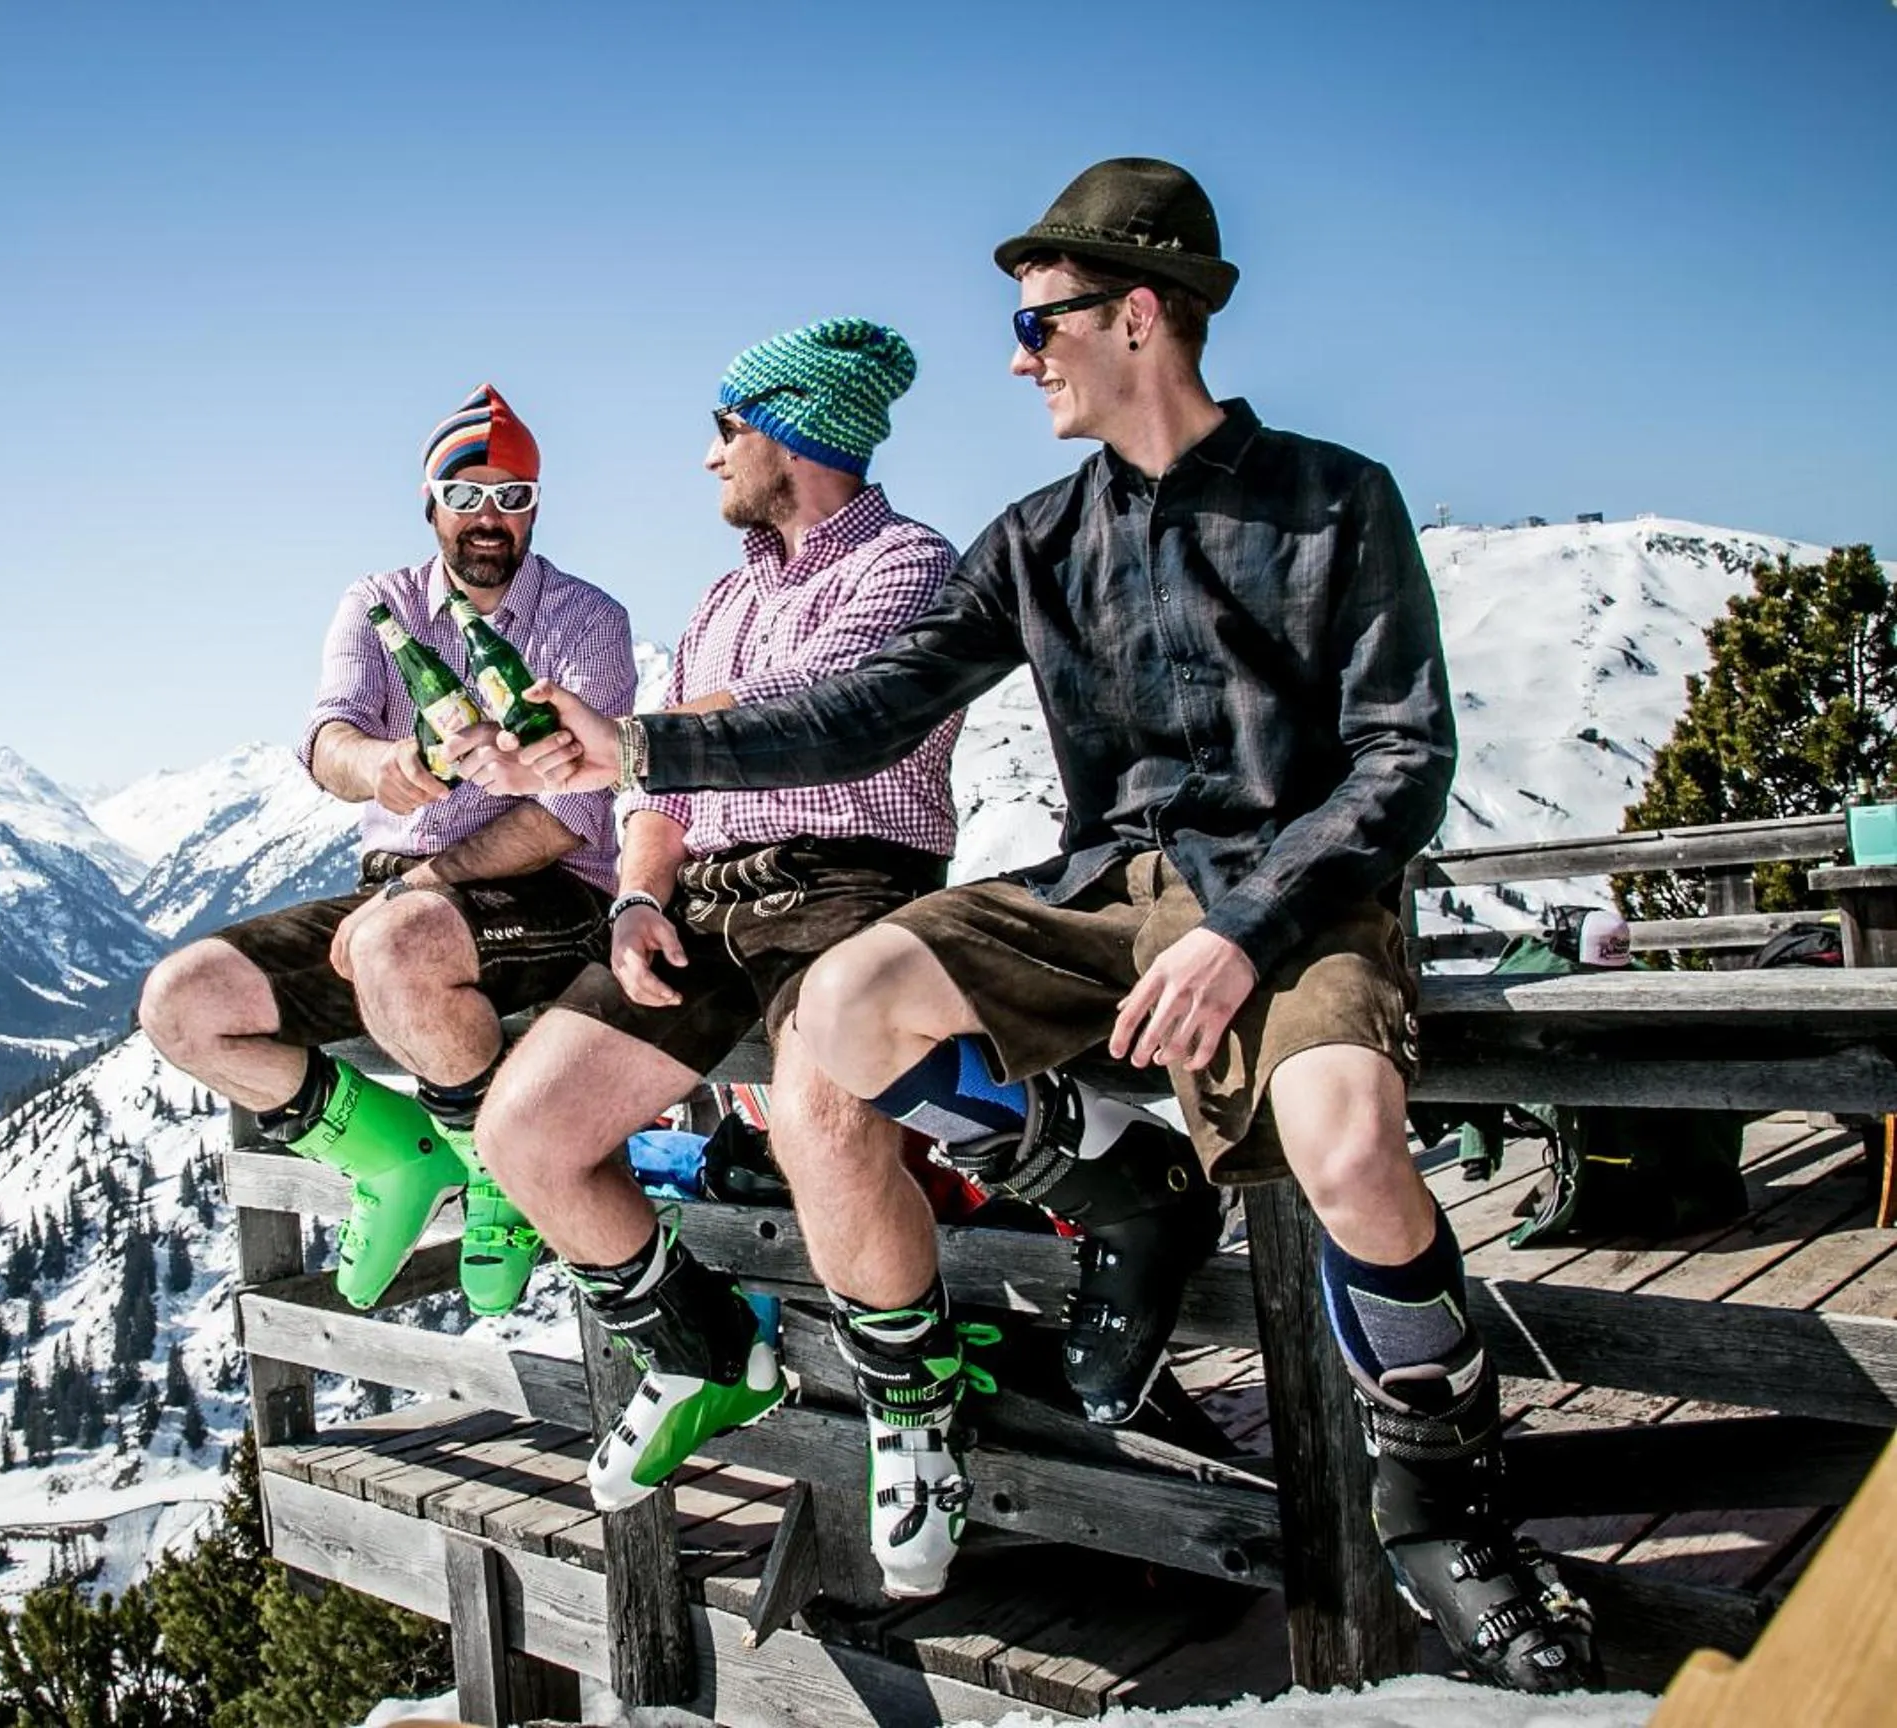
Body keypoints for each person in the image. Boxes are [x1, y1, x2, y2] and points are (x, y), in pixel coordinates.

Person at [506, 161, 1599, 1689]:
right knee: (842, 1012)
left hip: (1300, 893)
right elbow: (869, 709)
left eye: (1039, 326)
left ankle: (1441, 1507)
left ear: (1134, 315)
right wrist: (638, 751)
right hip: (1105, 893)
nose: (1016, 359)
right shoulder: (1034, 536)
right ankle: (1102, 1168)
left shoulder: (1331, 500)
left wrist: (1243, 935)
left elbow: (1399, 760)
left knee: (1347, 1145)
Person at [459, 319, 1209, 1601]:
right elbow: (662, 791)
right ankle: (698, 1350)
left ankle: (912, 1408)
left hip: (847, 884)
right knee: (525, 1132)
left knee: (821, 1112)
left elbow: (818, 723)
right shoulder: (724, 594)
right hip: (708, 900)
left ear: (791, 432)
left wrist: (637, 737)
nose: (706, 458)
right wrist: (639, 898)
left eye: (724, 427)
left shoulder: (905, 568)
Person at [138, 384, 637, 1317]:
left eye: (512, 497)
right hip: (398, 897)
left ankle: (498, 1172)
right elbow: (328, 738)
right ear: (429, 503)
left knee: (395, 941)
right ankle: (394, 1158)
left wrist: (424, 880)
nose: (490, 519)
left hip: (549, 890)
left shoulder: (584, 619)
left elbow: (570, 814)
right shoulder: (381, 605)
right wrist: (383, 767)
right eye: (467, 495)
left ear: (536, 506)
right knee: (183, 1002)